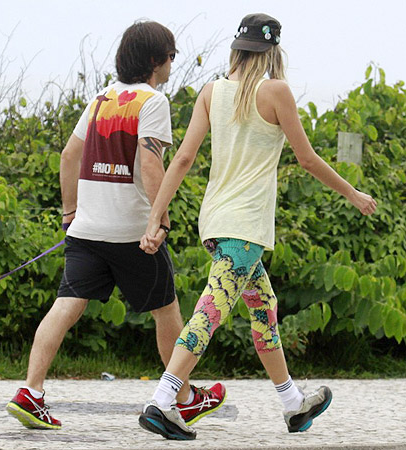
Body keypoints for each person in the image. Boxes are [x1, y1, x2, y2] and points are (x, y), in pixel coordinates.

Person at [137, 13, 378, 440]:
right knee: (209, 312)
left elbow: (182, 160)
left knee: (264, 311)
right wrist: (354, 194)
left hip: (215, 223)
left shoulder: (212, 92)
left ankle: (293, 405)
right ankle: (161, 401)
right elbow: (306, 159)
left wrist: (157, 214)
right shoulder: (277, 92)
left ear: (236, 49)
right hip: (245, 228)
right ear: (271, 52)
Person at [5, 20, 226, 430]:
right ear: (157, 60)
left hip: (86, 231)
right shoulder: (153, 102)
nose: (173, 64)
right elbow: (149, 161)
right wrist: (157, 220)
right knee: (166, 309)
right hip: (131, 233)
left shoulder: (100, 100)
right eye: (172, 56)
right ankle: (184, 396)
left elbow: (68, 157)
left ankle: (31, 392)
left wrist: (70, 213)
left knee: (66, 306)